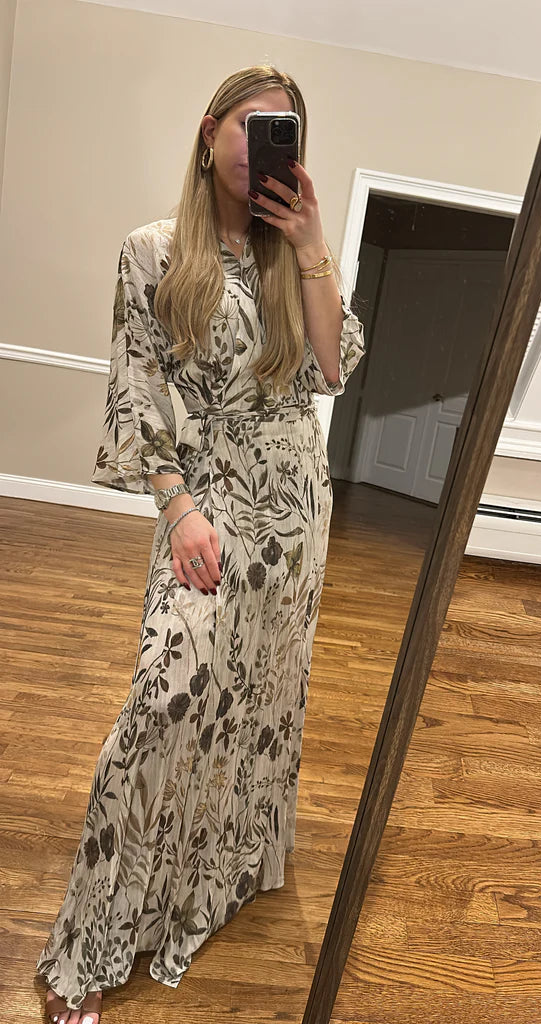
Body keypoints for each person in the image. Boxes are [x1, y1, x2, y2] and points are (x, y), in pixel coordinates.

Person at [36, 63, 365, 1024]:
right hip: (212, 499)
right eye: (253, 125)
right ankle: (90, 949)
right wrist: (177, 509)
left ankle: (225, 867)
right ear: (211, 129)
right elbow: (138, 390)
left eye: (285, 130)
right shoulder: (153, 252)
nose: (266, 144)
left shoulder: (293, 254)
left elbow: (331, 369)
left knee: (261, 697)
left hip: (297, 508)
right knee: (168, 695)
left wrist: (312, 244)